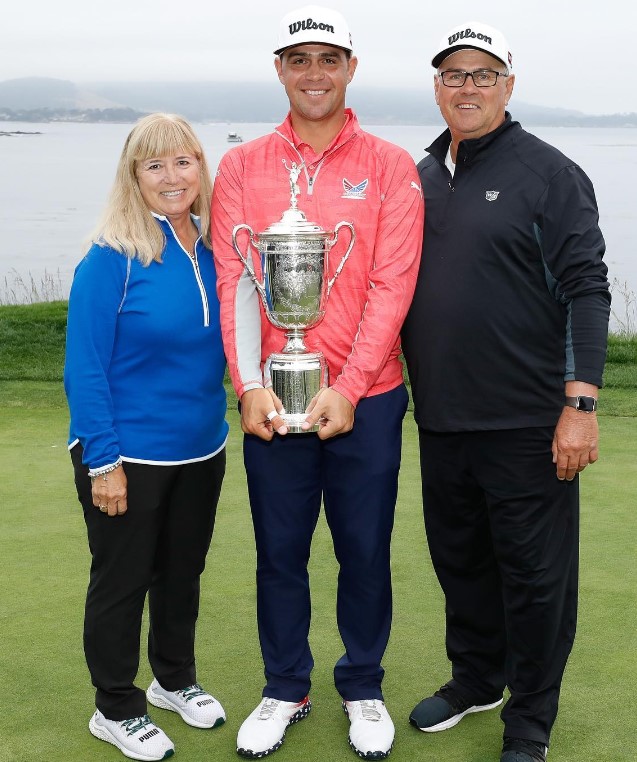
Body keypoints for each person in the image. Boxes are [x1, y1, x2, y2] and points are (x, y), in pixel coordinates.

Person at [211, 5, 424, 759]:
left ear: (350, 69)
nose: (313, 73)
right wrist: (247, 387)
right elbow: (235, 280)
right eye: (297, 59)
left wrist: (351, 384)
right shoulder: (240, 167)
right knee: (279, 551)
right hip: (275, 393)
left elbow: (391, 287)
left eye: (327, 58)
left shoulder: (392, 166)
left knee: (363, 548)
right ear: (279, 69)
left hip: (368, 396)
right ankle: (284, 686)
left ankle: (361, 685)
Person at [401, 21, 611, 762]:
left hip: (527, 420)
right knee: (459, 560)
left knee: (533, 578)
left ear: (508, 86)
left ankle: (528, 722)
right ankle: (476, 679)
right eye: (453, 75)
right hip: (441, 417)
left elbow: (587, 289)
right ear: (436, 87)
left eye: (482, 75)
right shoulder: (418, 175)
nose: (466, 87)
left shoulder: (547, 173)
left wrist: (578, 404)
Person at [64, 113, 229, 762]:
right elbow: (84, 367)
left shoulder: (215, 246)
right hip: (126, 453)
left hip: (202, 447)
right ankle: (115, 707)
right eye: (154, 165)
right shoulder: (112, 256)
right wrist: (103, 461)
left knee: (181, 574)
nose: (171, 176)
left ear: (200, 167)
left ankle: (173, 679)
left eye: (182, 161)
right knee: (123, 580)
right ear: (134, 176)